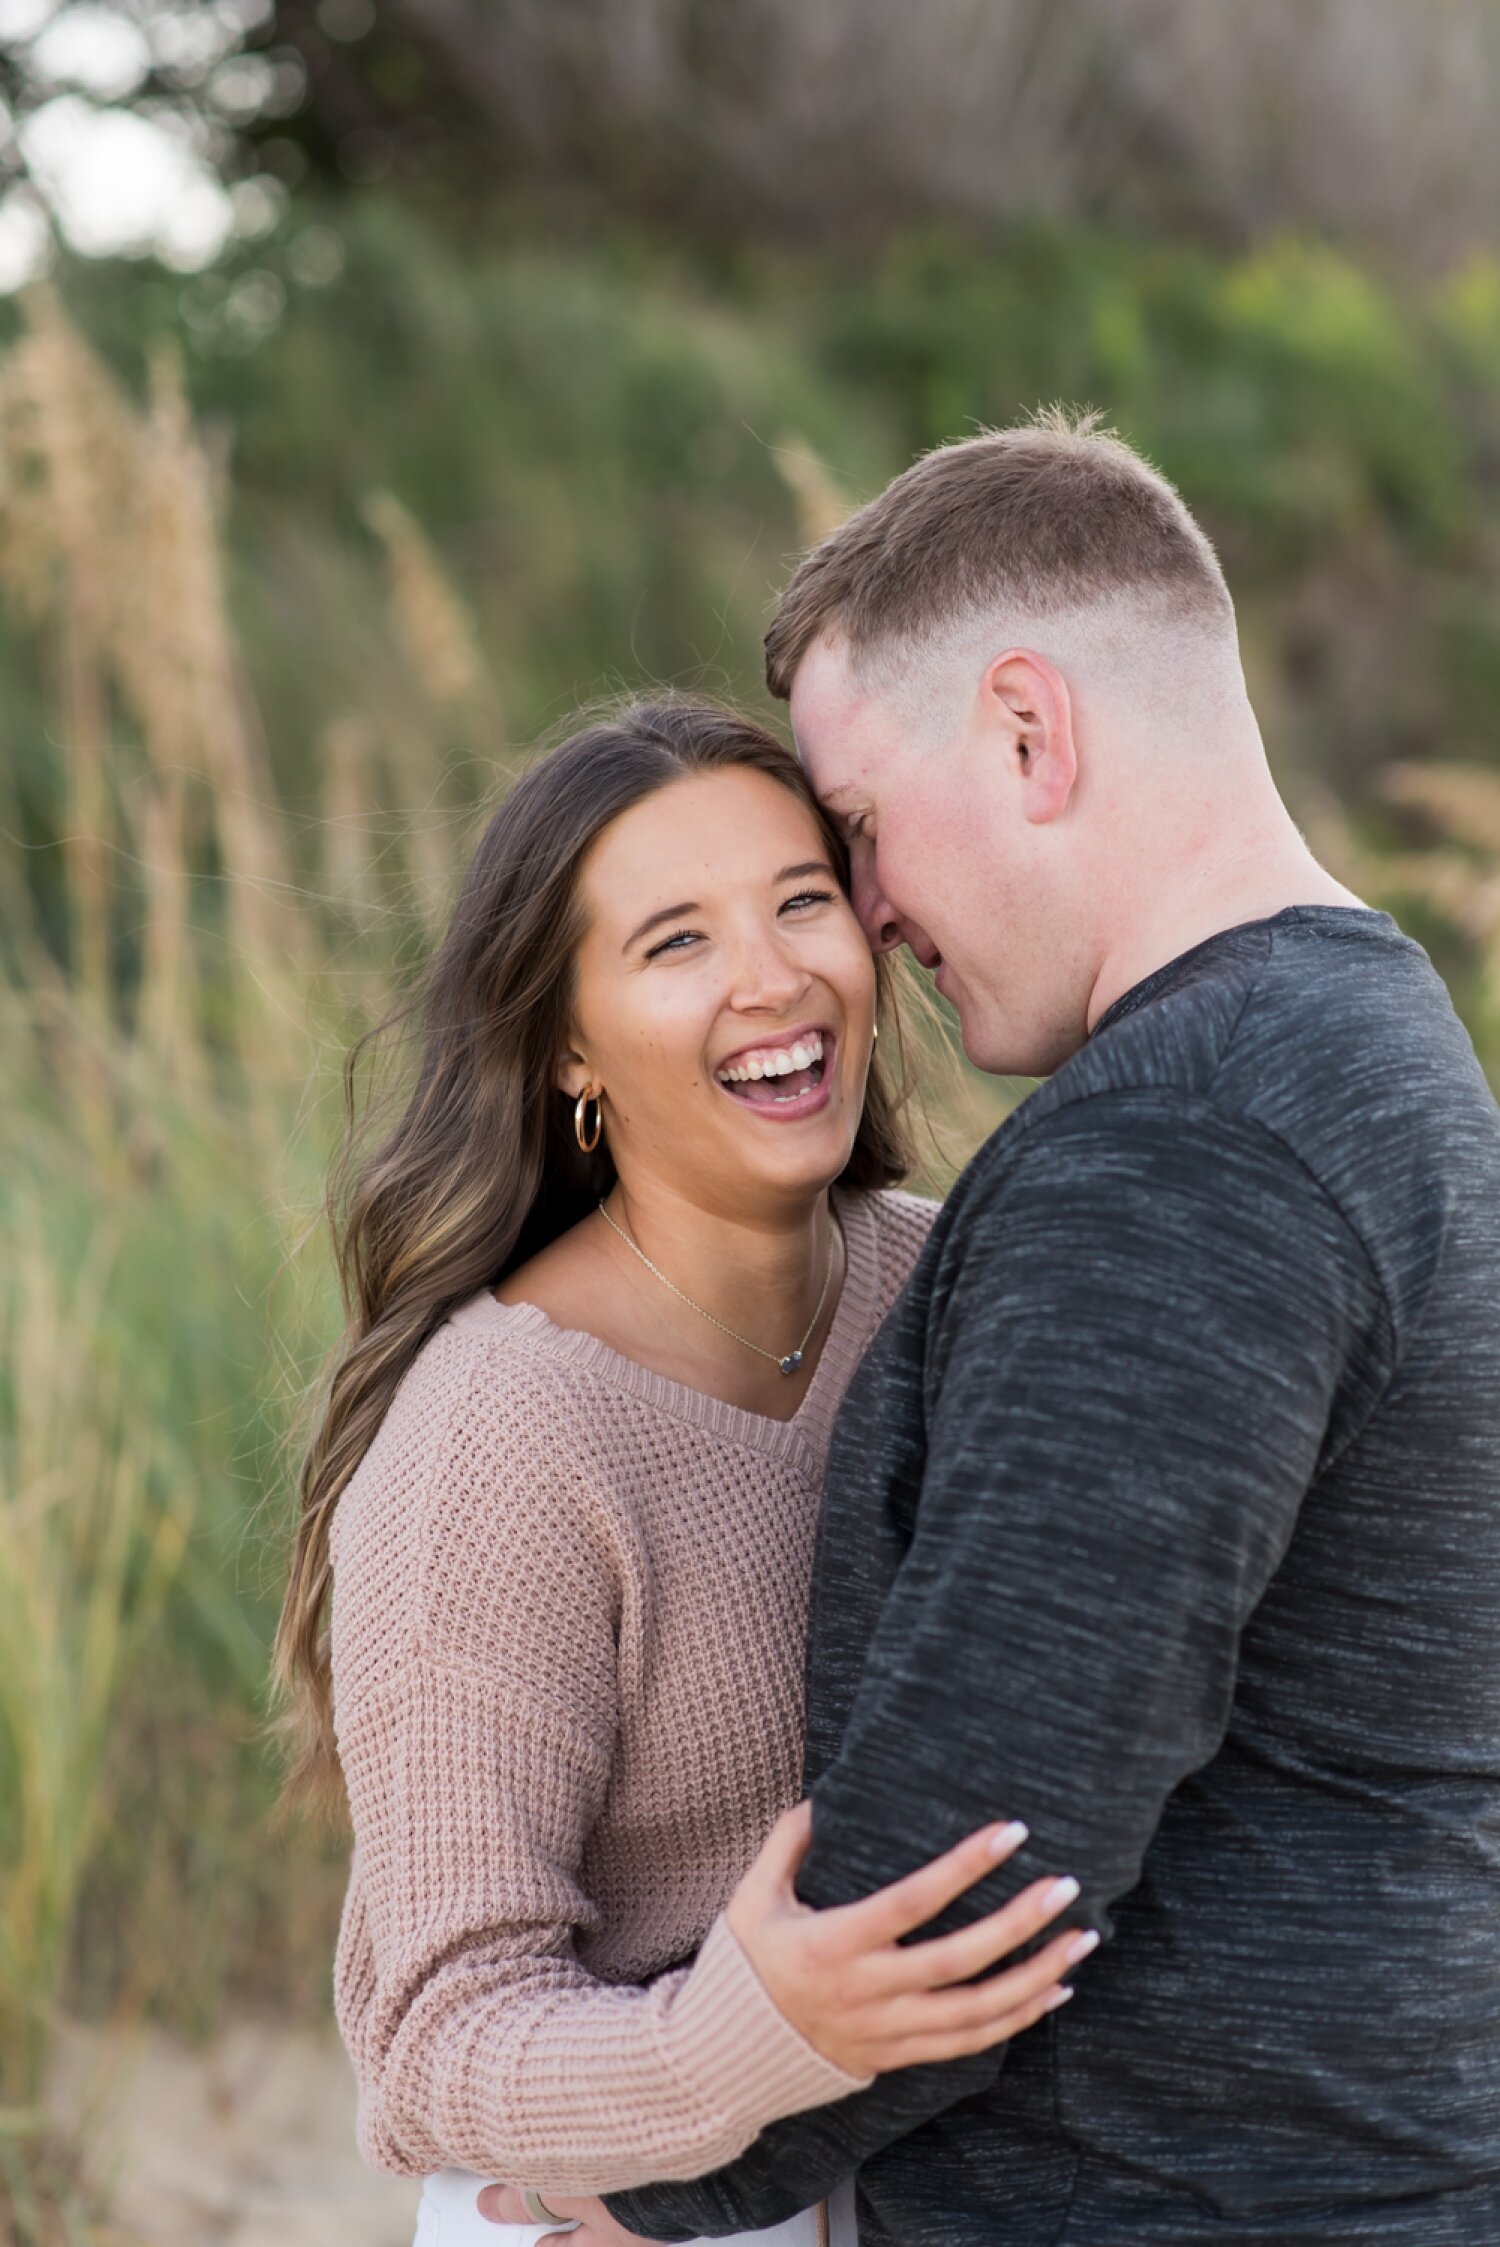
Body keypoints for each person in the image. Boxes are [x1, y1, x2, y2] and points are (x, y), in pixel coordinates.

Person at [583, 416, 1500, 2245]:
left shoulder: (1187, 1144)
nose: (865, 911)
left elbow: (986, 1831)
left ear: (1028, 728)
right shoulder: (1381, 1050)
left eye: (854, 826)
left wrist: (657, 2181)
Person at [272, 700, 1088, 2247]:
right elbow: (436, 2042)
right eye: (676, 942)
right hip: (634, 2211)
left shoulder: (959, 1290)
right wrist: (735, 2053)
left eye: (800, 902)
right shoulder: (495, 1441)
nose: (773, 976)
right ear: (568, 1046)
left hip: (943, 2175)